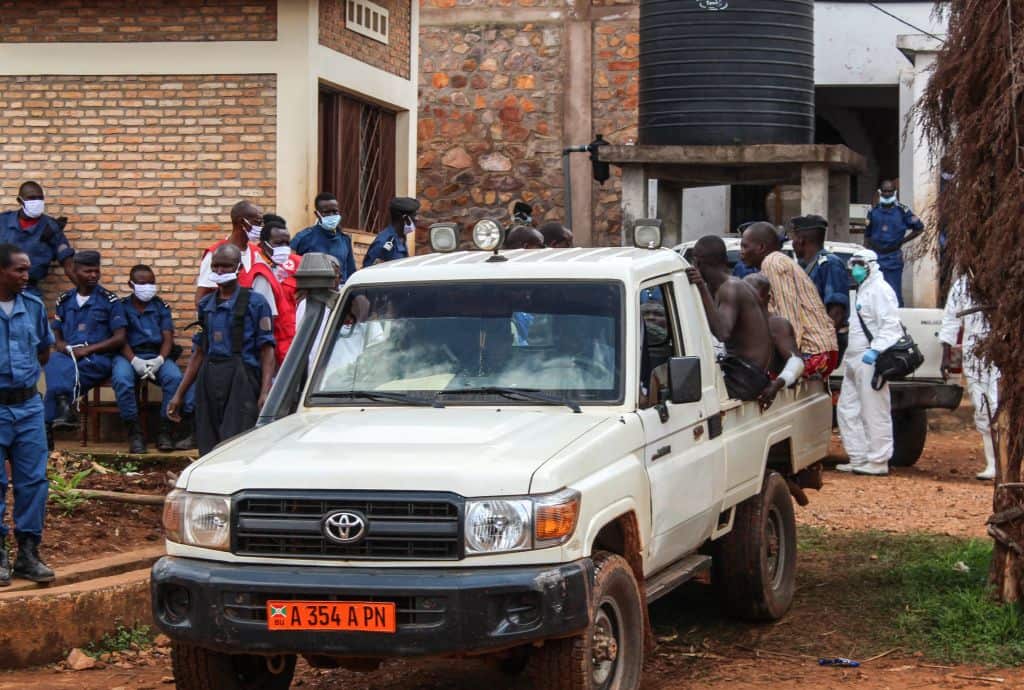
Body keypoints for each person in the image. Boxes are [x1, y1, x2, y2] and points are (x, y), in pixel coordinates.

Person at [168, 244, 276, 456]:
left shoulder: (255, 302)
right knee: (208, 437)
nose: (219, 272)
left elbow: (267, 350)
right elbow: (198, 352)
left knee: (236, 438)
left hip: (242, 376)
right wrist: (179, 394)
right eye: (215, 267)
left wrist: (265, 391)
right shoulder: (207, 304)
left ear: (238, 267)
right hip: (210, 375)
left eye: (226, 267)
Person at [43, 251, 139, 452]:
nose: (94, 275)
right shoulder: (65, 299)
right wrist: (60, 344)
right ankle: (60, 412)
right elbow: (57, 331)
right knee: (54, 362)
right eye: (88, 271)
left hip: (97, 358)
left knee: (58, 379)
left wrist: (87, 350)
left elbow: (120, 337)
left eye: (96, 271)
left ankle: (51, 428)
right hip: (69, 356)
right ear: (75, 272)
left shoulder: (109, 301)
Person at [0, 243, 55, 584]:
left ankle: (28, 553)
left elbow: (44, 352)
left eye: (26, 269)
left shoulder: (33, 305)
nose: (26, 275)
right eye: (18, 270)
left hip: (28, 407)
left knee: (33, 481)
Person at [111, 265, 195, 453]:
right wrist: (134, 360)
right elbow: (120, 338)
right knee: (122, 380)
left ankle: (164, 431)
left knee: (174, 378)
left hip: (156, 354)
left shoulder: (161, 306)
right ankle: (135, 433)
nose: (147, 287)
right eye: (142, 283)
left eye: (151, 282)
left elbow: (167, 338)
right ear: (130, 284)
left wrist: (160, 359)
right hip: (128, 354)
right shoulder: (121, 306)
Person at [739, 222, 839, 378]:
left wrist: (793, 362)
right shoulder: (777, 262)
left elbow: (789, 317)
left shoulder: (773, 263)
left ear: (760, 247)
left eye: (745, 247)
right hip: (820, 350)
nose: (741, 252)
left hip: (814, 353)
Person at [836, 249, 904, 476]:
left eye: (859, 264)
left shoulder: (880, 290)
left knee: (875, 410)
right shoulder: (862, 290)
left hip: (870, 357)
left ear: (870, 265)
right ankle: (859, 456)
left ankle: (878, 459)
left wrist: (875, 350)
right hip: (854, 359)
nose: (854, 268)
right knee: (847, 409)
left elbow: (890, 325)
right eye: (853, 264)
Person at [685, 235, 774, 402]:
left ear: (698, 263)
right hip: (748, 374)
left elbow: (722, 332)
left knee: (684, 393)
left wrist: (701, 287)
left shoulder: (730, 288)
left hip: (745, 378)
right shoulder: (732, 285)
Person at [940, 274, 998, 480]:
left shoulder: (1005, 275)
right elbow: (951, 319)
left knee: (1000, 405)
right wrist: (946, 354)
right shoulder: (962, 284)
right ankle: (994, 463)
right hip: (974, 354)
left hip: (1003, 351)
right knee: (983, 409)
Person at [195, 201, 281, 325]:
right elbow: (201, 298)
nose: (261, 227)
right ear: (242, 222)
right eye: (257, 222)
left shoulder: (258, 254)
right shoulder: (216, 254)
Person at [0, 181, 75, 299]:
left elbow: (69, 264)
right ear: (20, 201)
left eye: (40, 198)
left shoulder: (51, 228)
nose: (37, 202)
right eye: (31, 198)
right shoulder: (3, 222)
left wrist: (87, 291)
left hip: (28, 291)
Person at [790, 215, 850, 356]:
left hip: (819, 345)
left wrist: (820, 344)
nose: (792, 243)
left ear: (801, 240)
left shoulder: (829, 264)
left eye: (793, 238)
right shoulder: (807, 266)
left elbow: (836, 312)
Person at [743, 273, 805, 408]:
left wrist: (777, 384)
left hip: (770, 400)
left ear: (767, 299)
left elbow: (796, 361)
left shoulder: (776, 325)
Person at [864, 180, 925, 306]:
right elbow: (867, 235)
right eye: (885, 191)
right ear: (880, 192)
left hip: (893, 257)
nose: (887, 194)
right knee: (875, 294)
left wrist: (903, 241)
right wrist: (865, 255)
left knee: (894, 293)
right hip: (876, 258)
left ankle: (897, 321)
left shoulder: (902, 211)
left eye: (890, 191)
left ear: (895, 192)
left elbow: (919, 228)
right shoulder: (873, 211)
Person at [289, 193, 357, 284]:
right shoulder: (303, 238)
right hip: (312, 292)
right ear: (317, 214)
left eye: (335, 211)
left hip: (339, 292)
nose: (331, 215)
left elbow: (350, 272)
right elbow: (290, 268)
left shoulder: (344, 239)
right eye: (326, 212)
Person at [257, 216, 298, 363]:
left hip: (292, 340)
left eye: (287, 243)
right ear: (264, 244)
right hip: (266, 342)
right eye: (278, 243)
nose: (284, 248)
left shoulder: (296, 264)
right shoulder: (254, 268)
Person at [363, 197, 420, 267]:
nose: (417, 219)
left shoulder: (400, 237)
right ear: (405, 218)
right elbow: (370, 272)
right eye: (415, 216)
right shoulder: (384, 242)